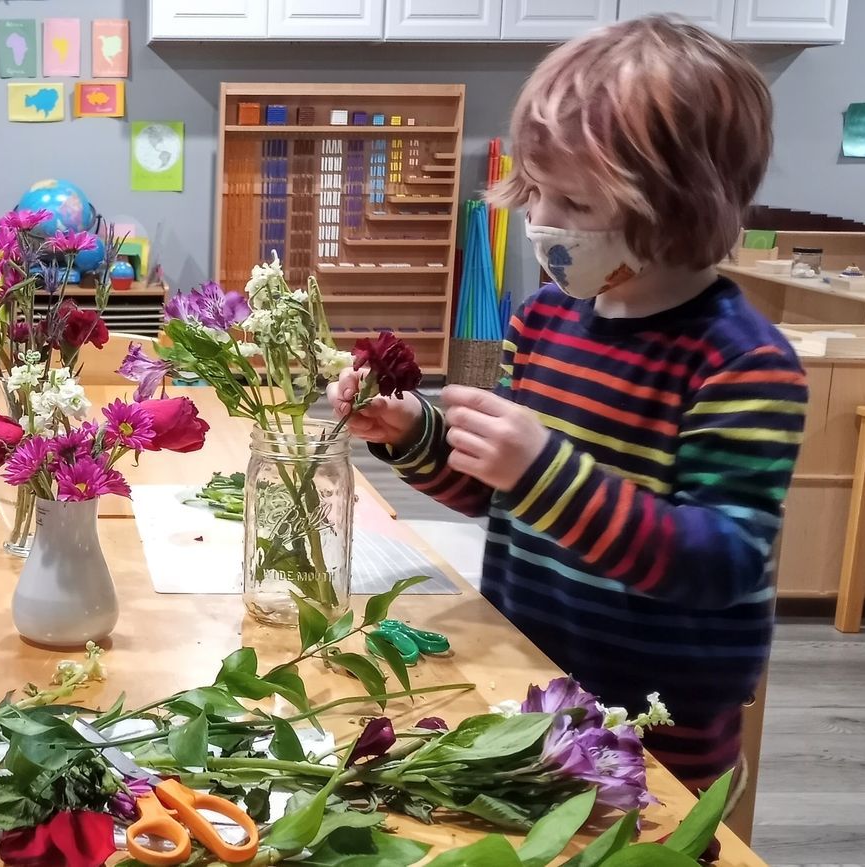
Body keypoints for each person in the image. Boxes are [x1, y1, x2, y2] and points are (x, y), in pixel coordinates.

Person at [332, 15, 806, 796]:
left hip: (664, 723)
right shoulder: (543, 322)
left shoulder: (741, 360)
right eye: (536, 191)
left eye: (576, 203)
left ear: (682, 206)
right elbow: (502, 495)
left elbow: (718, 563)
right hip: (538, 674)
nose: (544, 222)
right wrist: (417, 432)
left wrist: (546, 468)